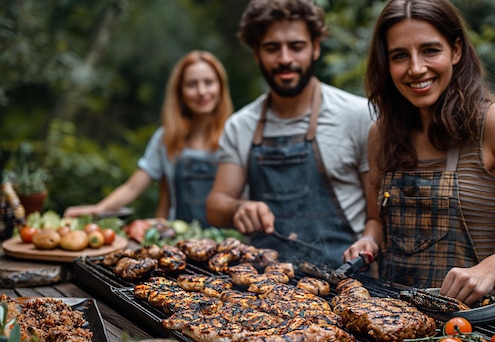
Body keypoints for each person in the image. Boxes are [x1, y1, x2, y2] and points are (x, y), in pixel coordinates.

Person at [344, 0, 495, 305]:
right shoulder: (380, 135)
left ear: (456, 51)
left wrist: (491, 268)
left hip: (465, 329)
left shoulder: (494, 124)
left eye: (430, 50)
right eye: (399, 56)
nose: (416, 68)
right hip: (390, 320)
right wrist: (369, 239)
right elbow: (376, 220)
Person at [206, 0, 375, 268]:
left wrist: (369, 241)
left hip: (347, 285)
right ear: (256, 53)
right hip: (261, 289)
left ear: (316, 47)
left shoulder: (358, 116)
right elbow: (216, 205)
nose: (285, 59)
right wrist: (238, 208)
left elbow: (377, 217)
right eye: (272, 48)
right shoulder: (241, 125)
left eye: (296, 47)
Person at [64, 50, 233, 227]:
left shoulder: (235, 137)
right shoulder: (165, 139)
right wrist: (99, 209)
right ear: (179, 92)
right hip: (179, 244)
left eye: (209, 82)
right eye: (192, 84)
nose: (201, 91)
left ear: (221, 87)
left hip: (228, 245)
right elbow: (132, 187)